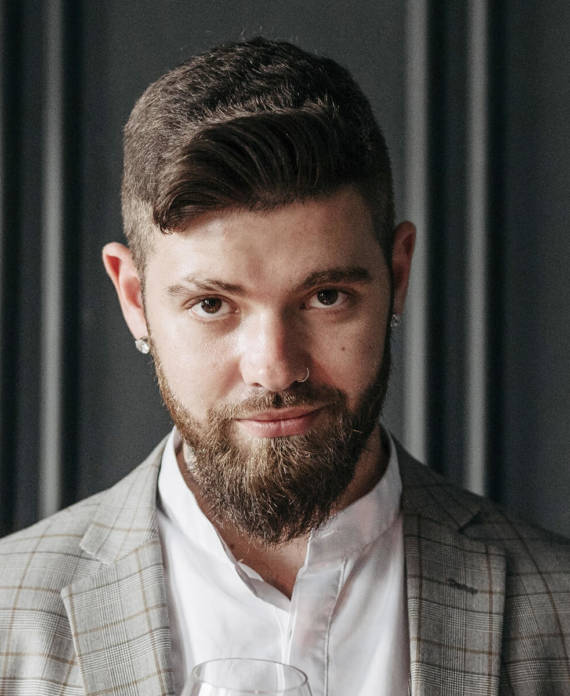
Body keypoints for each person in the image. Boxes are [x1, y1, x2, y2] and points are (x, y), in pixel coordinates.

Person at [0, 37, 569, 696]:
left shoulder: (557, 613)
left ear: (397, 273)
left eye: (326, 297)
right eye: (212, 304)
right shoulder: (8, 616)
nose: (274, 369)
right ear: (134, 299)